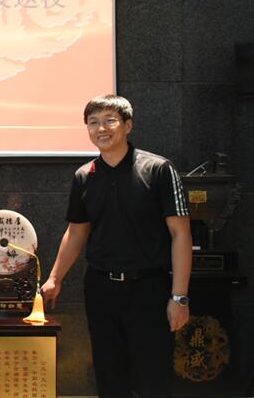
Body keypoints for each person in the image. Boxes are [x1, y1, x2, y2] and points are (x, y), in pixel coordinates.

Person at [41, 94, 192, 398]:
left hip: (149, 288)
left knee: (153, 378)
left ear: (128, 125)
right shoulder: (84, 176)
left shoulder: (159, 170)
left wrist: (180, 297)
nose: (101, 129)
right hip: (101, 289)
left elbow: (181, 235)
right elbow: (76, 231)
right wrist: (55, 278)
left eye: (110, 120)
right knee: (109, 376)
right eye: (93, 122)